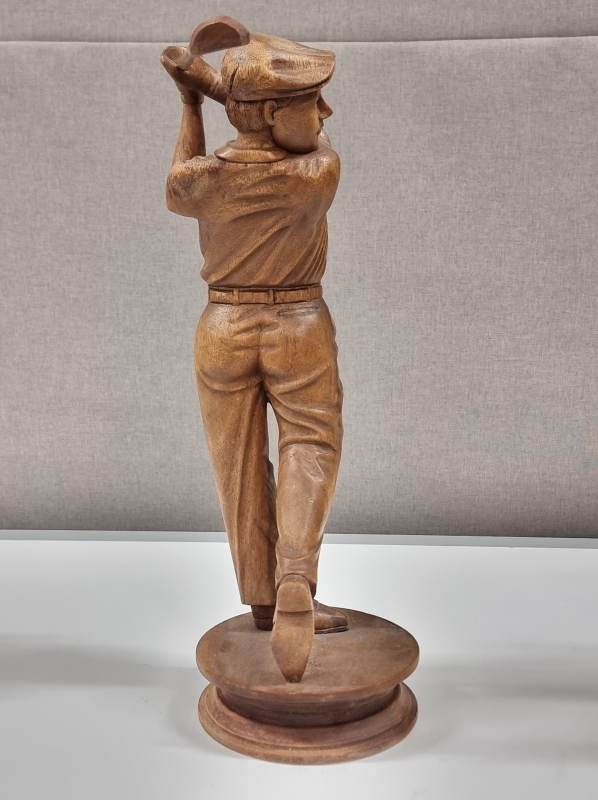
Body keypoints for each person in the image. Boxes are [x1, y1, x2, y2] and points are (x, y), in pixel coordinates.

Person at [165, 33, 347, 681]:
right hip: (298, 323)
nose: (323, 113)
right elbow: (297, 136)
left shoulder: (202, 180)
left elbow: (179, 181)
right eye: (310, 101)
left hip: (222, 327)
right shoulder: (316, 173)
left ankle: (266, 604)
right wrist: (215, 89)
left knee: (238, 468)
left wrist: (195, 99)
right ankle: (294, 578)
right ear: (270, 113)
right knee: (311, 443)